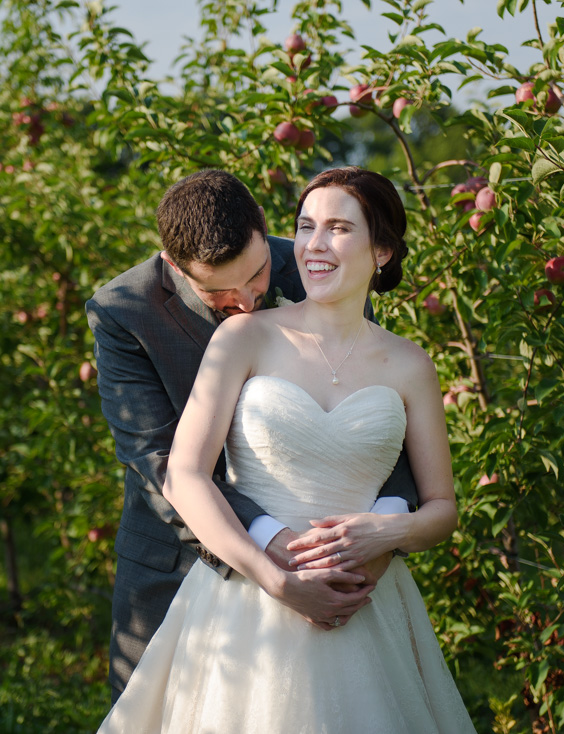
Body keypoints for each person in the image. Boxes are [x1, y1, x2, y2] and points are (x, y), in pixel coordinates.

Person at [97, 167, 475, 732]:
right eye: (220, 293)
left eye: (256, 277)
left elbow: (373, 435)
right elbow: (164, 465)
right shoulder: (124, 311)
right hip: (182, 559)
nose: (249, 302)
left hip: (354, 580)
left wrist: (375, 534)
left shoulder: (312, 265)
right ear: (177, 268)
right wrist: (280, 559)